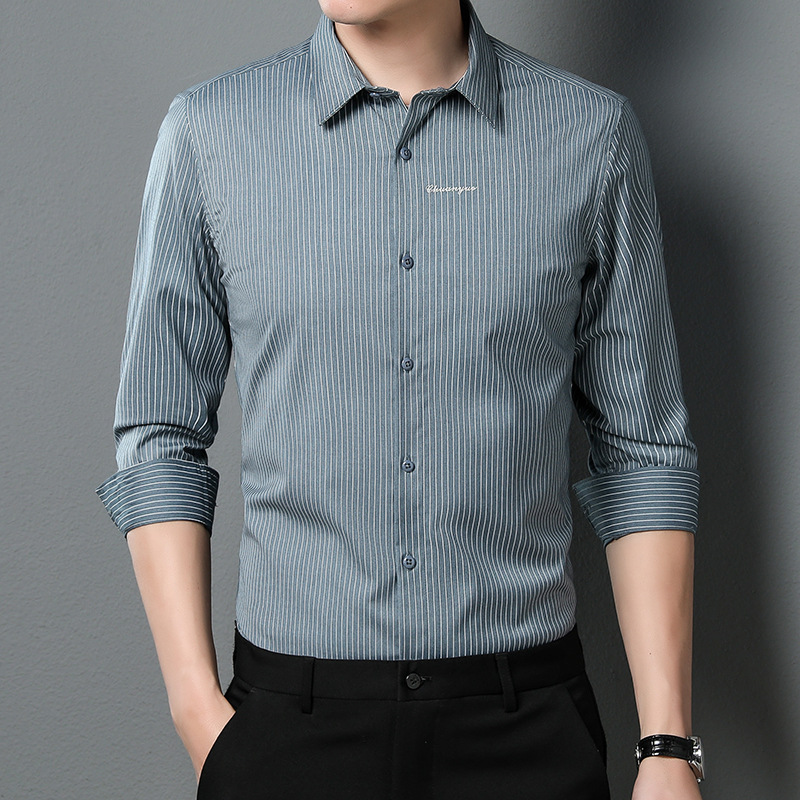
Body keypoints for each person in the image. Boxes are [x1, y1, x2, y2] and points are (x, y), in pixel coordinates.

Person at [96, 0, 704, 797]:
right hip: (288, 727)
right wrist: (196, 713)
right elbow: (159, 432)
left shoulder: (591, 135)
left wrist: (667, 745)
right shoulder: (211, 133)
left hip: (524, 728)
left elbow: (642, 451)